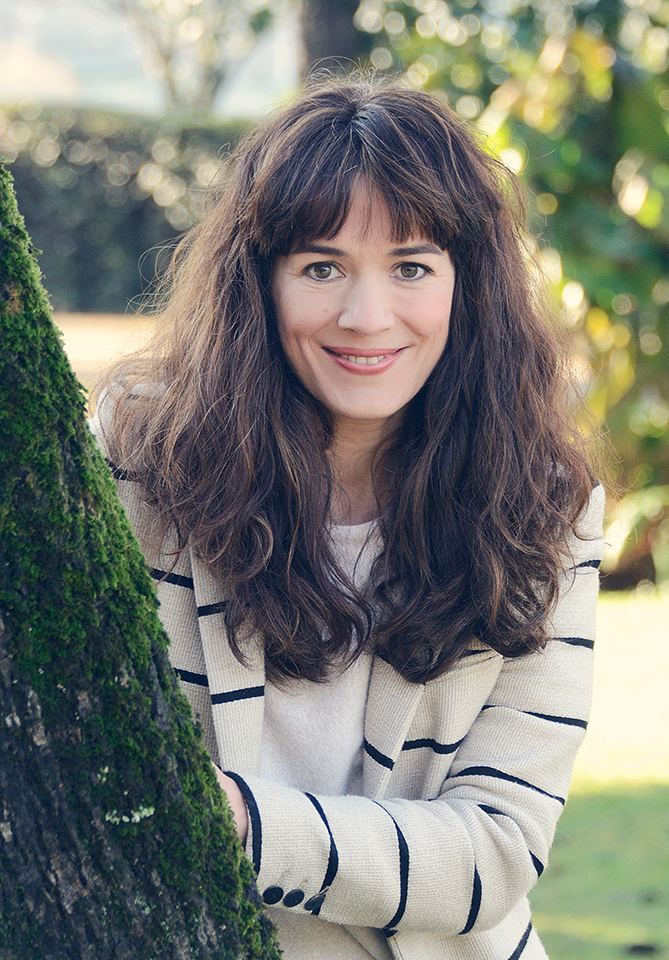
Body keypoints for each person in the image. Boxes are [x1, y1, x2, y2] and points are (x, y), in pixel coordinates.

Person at [90, 76, 605, 960]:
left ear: (467, 284)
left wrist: (244, 823)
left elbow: (494, 851)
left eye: (411, 267)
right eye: (321, 267)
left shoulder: (543, 506)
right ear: (260, 283)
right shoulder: (146, 464)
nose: (366, 319)